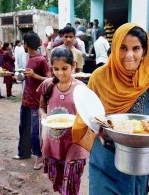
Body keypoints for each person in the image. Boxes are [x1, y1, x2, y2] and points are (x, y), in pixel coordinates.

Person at [72, 23, 149, 195]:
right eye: (123, 48)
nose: (129, 55)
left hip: (136, 163)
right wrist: (98, 131)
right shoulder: (99, 77)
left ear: (144, 52)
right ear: (115, 48)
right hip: (104, 160)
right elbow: (86, 116)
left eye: (136, 48)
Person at [37, 47, 88, 194]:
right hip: (53, 143)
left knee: (71, 186)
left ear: (73, 66)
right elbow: (41, 107)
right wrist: (43, 115)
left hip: (75, 145)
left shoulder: (81, 88)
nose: (60, 73)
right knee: (58, 182)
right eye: (56, 69)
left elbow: (88, 115)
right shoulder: (48, 85)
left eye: (65, 68)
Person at [14, 31, 51, 170]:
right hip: (26, 100)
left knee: (35, 132)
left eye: (23, 43)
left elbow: (50, 79)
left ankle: (40, 156)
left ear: (26, 44)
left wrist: (35, 75)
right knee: (23, 128)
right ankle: (23, 153)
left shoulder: (41, 60)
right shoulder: (29, 58)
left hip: (36, 102)